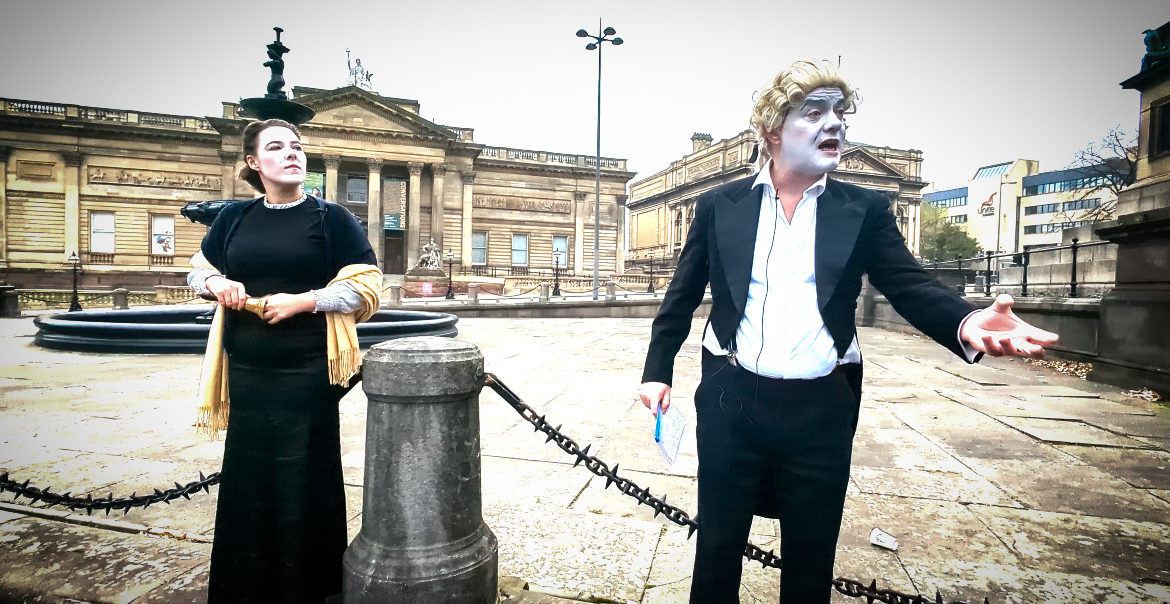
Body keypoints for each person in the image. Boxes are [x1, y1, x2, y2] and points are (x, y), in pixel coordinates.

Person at [637, 59, 1059, 604]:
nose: (833, 123)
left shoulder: (863, 209)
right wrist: (656, 370)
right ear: (772, 131)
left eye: (840, 112)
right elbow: (683, 293)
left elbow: (908, 284)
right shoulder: (722, 206)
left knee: (810, 564)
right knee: (716, 555)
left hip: (820, 410)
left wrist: (967, 320)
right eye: (814, 112)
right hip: (731, 401)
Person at [186, 118, 382, 603]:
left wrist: (306, 301)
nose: (293, 153)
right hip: (248, 371)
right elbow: (198, 270)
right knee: (247, 479)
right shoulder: (233, 217)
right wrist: (217, 284)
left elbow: (367, 284)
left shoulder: (331, 218)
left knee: (304, 476)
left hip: (308, 371)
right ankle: (244, 588)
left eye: (297, 146)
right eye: (277, 147)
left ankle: (309, 590)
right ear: (254, 163)